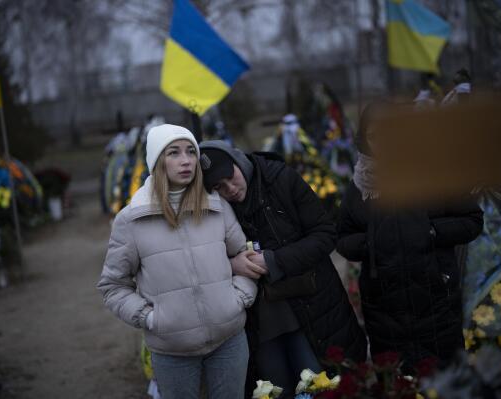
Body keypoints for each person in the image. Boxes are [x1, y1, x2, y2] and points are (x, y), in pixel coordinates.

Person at [97, 124, 257, 399]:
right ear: (157, 162)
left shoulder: (217, 205)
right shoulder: (131, 220)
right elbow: (113, 286)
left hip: (229, 341)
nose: (186, 161)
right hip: (172, 351)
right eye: (173, 153)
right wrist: (150, 317)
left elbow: (244, 254)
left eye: (190, 152)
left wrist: (239, 298)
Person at [199, 140, 367, 398]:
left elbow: (324, 234)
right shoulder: (210, 209)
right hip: (259, 324)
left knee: (316, 385)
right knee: (274, 391)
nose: (230, 189)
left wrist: (274, 261)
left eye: (230, 177)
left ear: (238, 160)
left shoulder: (280, 179)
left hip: (310, 309)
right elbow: (200, 261)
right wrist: (233, 265)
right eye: (219, 187)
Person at [336, 103, 484, 370]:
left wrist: (431, 231)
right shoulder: (359, 185)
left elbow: (471, 221)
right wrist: (371, 243)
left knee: (445, 379)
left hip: (435, 300)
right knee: (398, 383)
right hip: (384, 309)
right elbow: (343, 237)